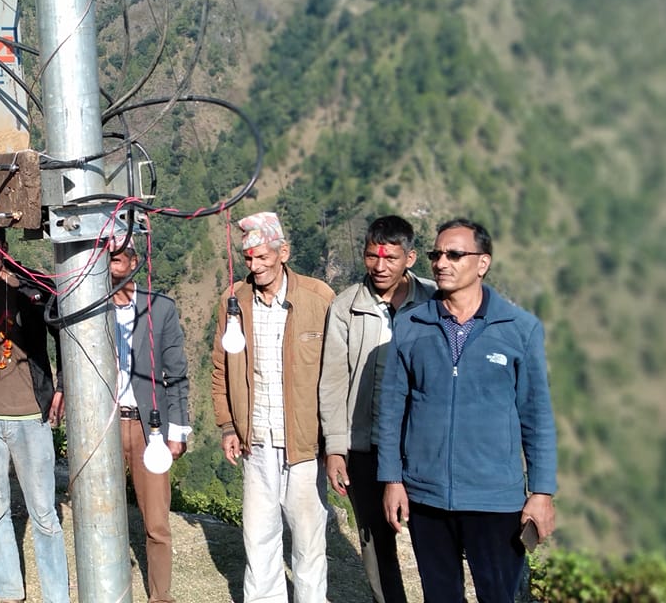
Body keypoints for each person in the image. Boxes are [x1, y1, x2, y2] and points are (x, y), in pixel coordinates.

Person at [376, 218, 558, 603]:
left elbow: (536, 416)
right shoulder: (411, 325)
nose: (441, 262)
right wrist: (392, 479)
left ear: (482, 263)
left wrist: (541, 492)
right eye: (436, 254)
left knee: (498, 596)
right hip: (426, 496)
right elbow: (392, 409)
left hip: (495, 499)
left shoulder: (519, 329)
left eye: (455, 254)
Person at [210, 211, 336, 603]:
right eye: (249, 259)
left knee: (308, 540)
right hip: (256, 440)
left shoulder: (319, 299)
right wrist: (228, 425)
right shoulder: (234, 301)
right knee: (259, 535)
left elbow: (337, 376)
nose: (256, 266)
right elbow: (220, 367)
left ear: (284, 252)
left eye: (263, 257)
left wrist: (334, 442)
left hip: (303, 443)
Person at [318, 215, 436, 603]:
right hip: (365, 446)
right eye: (372, 256)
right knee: (374, 542)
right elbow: (333, 381)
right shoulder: (347, 307)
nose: (380, 266)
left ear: (411, 257)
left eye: (390, 258)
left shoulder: (434, 303)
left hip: (422, 448)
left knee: (432, 543)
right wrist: (335, 447)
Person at [0, 229, 69, 603]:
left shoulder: (31, 287)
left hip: (28, 413)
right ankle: (9, 592)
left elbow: (64, 332)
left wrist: (64, 385)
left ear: (3, 248)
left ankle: (56, 595)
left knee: (44, 513)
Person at [108, 242, 191, 603]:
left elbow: (177, 374)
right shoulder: (93, 309)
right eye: (105, 258)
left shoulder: (161, 308)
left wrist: (177, 430)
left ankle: (161, 595)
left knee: (156, 521)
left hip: (149, 427)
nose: (111, 266)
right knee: (104, 515)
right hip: (107, 424)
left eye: (116, 257)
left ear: (134, 261)